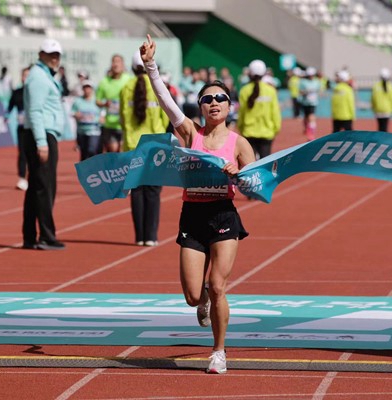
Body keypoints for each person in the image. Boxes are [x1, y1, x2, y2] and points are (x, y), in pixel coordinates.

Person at [140, 34, 256, 374]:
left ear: (229, 105)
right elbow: (165, 102)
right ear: (200, 107)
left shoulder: (240, 143)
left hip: (223, 216)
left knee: (219, 285)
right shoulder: (191, 133)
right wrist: (150, 65)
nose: (214, 103)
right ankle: (202, 301)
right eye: (207, 99)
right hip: (192, 215)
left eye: (221, 98)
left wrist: (239, 176)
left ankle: (218, 351)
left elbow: (254, 187)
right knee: (194, 295)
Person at [120, 51, 169, 247]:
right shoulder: (157, 87)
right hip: (155, 145)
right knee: (153, 192)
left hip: (133, 146)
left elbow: (123, 120)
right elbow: (166, 117)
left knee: (137, 192)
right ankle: (151, 236)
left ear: (132, 68)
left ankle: (139, 236)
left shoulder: (125, 89)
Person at [22, 38, 66, 251]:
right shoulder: (38, 77)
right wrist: (42, 142)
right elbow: (36, 111)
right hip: (42, 135)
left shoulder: (43, 76)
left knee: (36, 188)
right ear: (40, 54)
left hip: (43, 134)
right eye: (50, 54)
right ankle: (46, 236)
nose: (54, 58)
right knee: (44, 188)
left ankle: (31, 236)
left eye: (57, 54)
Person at [237, 59, 281, 160]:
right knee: (265, 164)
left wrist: (241, 128)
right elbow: (275, 113)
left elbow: (241, 113)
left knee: (251, 164)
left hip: (248, 132)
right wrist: (275, 129)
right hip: (267, 133)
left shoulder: (244, 90)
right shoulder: (271, 90)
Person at [96, 54, 132, 153]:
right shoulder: (104, 82)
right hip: (110, 124)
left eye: (118, 62)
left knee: (123, 152)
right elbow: (97, 101)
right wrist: (104, 104)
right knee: (114, 151)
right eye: (114, 62)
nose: (116, 64)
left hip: (126, 124)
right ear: (111, 64)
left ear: (123, 65)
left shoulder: (129, 80)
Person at [7, 67, 31, 191]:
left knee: (33, 154)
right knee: (22, 153)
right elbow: (11, 105)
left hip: (34, 128)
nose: (25, 78)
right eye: (23, 75)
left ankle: (33, 177)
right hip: (22, 127)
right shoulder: (17, 92)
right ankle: (22, 178)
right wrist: (7, 116)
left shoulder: (36, 91)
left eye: (27, 75)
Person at [72, 80, 102, 161]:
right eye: (85, 88)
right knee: (84, 153)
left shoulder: (97, 101)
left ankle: (93, 169)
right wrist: (76, 115)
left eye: (89, 88)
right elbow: (72, 112)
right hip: (81, 131)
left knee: (91, 150)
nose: (87, 90)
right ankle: (85, 172)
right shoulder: (78, 101)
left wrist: (101, 118)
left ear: (92, 89)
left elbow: (103, 112)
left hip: (94, 130)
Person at [370, 67, 392, 133]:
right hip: (387, 110)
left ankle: (379, 141)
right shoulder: (390, 86)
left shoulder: (376, 86)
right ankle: (383, 142)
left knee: (380, 127)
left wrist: (373, 108)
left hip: (378, 110)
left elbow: (373, 99)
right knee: (385, 128)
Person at [298, 66, 321, 141]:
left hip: (313, 102)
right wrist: (305, 92)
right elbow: (300, 91)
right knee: (306, 118)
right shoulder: (303, 82)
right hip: (305, 102)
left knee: (312, 117)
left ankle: (311, 134)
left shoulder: (317, 82)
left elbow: (319, 90)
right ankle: (307, 128)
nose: (311, 76)